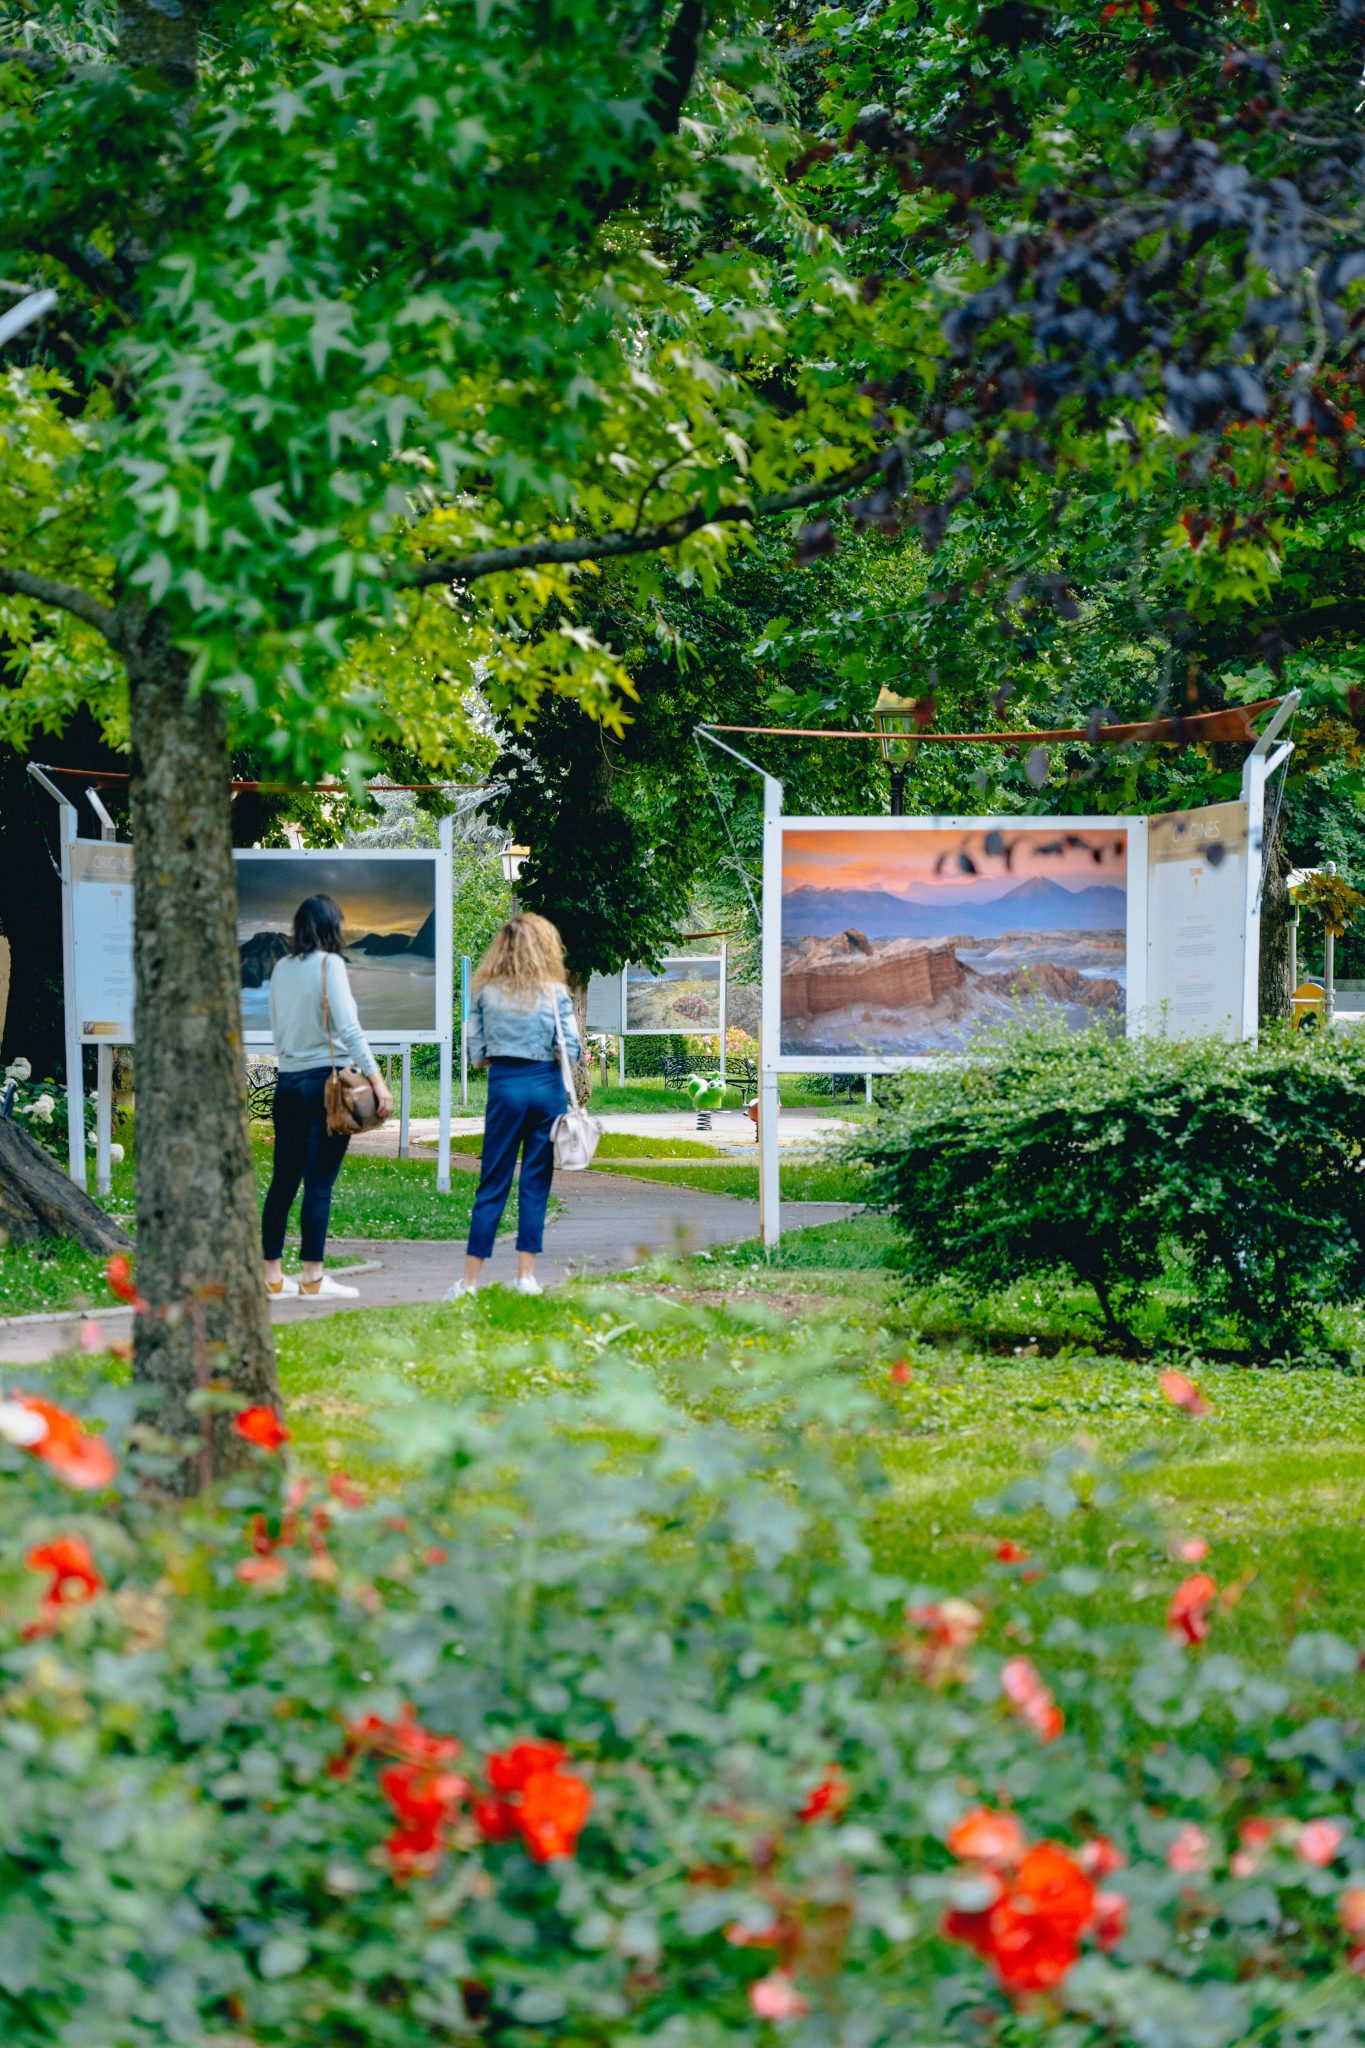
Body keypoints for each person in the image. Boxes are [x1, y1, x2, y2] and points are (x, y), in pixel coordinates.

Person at [261, 893, 392, 1299]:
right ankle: (313, 1279)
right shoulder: (330, 964)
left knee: (283, 1182)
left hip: (287, 1083)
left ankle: (271, 1278)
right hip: (326, 1085)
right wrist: (377, 1081)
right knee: (318, 1184)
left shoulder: (281, 968)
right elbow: (349, 1028)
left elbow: (277, 1025)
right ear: (332, 927)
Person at [445, 912, 581, 1301]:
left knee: (493, 1183)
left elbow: (476, 1053)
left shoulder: (486, 993)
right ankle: (525, 1277)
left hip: (505, 1089)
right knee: (536, 1183)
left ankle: (469, 1282)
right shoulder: (555, 993)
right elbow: (570, 1049)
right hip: (546, 1090)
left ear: (501, 950)